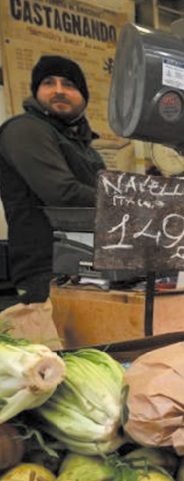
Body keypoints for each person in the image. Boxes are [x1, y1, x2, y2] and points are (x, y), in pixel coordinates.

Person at [0, 55, 105, 305]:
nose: (59, 90)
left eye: (69, 84)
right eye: (48, 83)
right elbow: (62, 193)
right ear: (36, 92)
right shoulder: (25, 130)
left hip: (88, 266)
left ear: (83, 95)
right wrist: (133, 202)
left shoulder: (84, 146)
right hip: (49, 272)